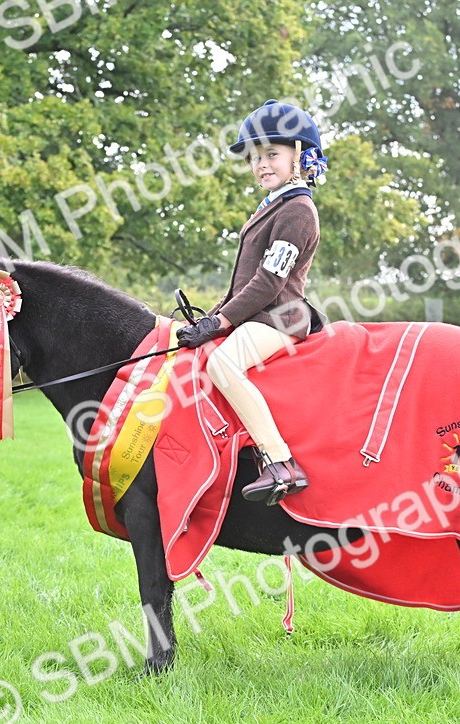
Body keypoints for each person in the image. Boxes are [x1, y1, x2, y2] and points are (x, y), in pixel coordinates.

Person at [176, 99, 329, 505]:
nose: (261, 164)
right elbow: (240, 284)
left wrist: (222, 322)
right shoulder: (271, 206)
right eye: (255, 158)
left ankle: (280, 463)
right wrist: (209, 318)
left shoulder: (299, 210)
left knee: (222, 364)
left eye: (272, 155)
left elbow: (268, 282)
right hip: (258, 314)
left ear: (299, 155)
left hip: (281, 316)